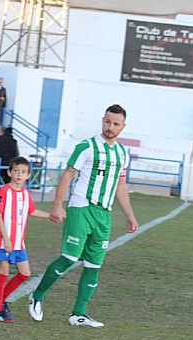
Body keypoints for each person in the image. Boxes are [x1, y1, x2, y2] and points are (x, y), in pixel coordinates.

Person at [29, 104, 138, 328]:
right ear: (102, 120)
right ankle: (37, 296)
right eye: (107, 121)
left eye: (116, 124)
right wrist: (58, 206)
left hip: (104, 214)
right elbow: (68, 175)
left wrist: (129, 215)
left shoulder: (122, 153)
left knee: (93, 265)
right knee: (69, 257)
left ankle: (79, 313)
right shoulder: (87, 146)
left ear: (123, 127)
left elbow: (120, 184)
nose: (110, 127)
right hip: (81, 208)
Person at [0, 157, 50, 323]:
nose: (19, 174)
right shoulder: (4, 191)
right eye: (16, 171)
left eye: (23, 172)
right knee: (3, 272)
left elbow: (32, 210)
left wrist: (50, 216)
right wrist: (6, 239)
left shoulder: (25, 194)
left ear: (28, 175)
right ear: (9, 172)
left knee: (25, 273)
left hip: (19, 243)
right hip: (4, 241)